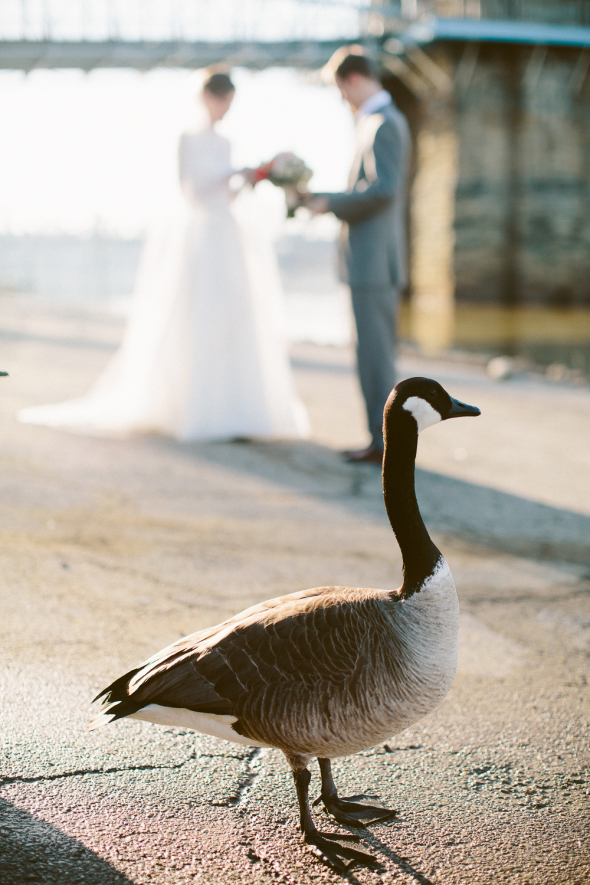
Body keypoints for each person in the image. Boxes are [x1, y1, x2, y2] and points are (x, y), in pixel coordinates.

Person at [19, 72, 309, 442]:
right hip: (201, 236)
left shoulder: (226, 142)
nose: (225, 110)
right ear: (207, 97)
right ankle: (194, 407)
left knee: (232, 315)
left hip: (225, 233)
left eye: (230, 104)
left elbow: (227, 195)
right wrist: (232, 173)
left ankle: (235, 407)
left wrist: (248, 179)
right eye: (223, 101)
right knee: (196, 315)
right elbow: (192, 191)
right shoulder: (187, 139)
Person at [307, 53, 411, 465]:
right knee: (371, 358)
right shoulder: (379, 121)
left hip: (374, 265)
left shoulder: (383, 123)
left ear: (352, 80)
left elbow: (382, 190)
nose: (343, 100)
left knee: (376, 361)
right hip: (369, 264)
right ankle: (379, 439)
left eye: (340, 91)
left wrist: (329, 201)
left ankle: (385, 445)